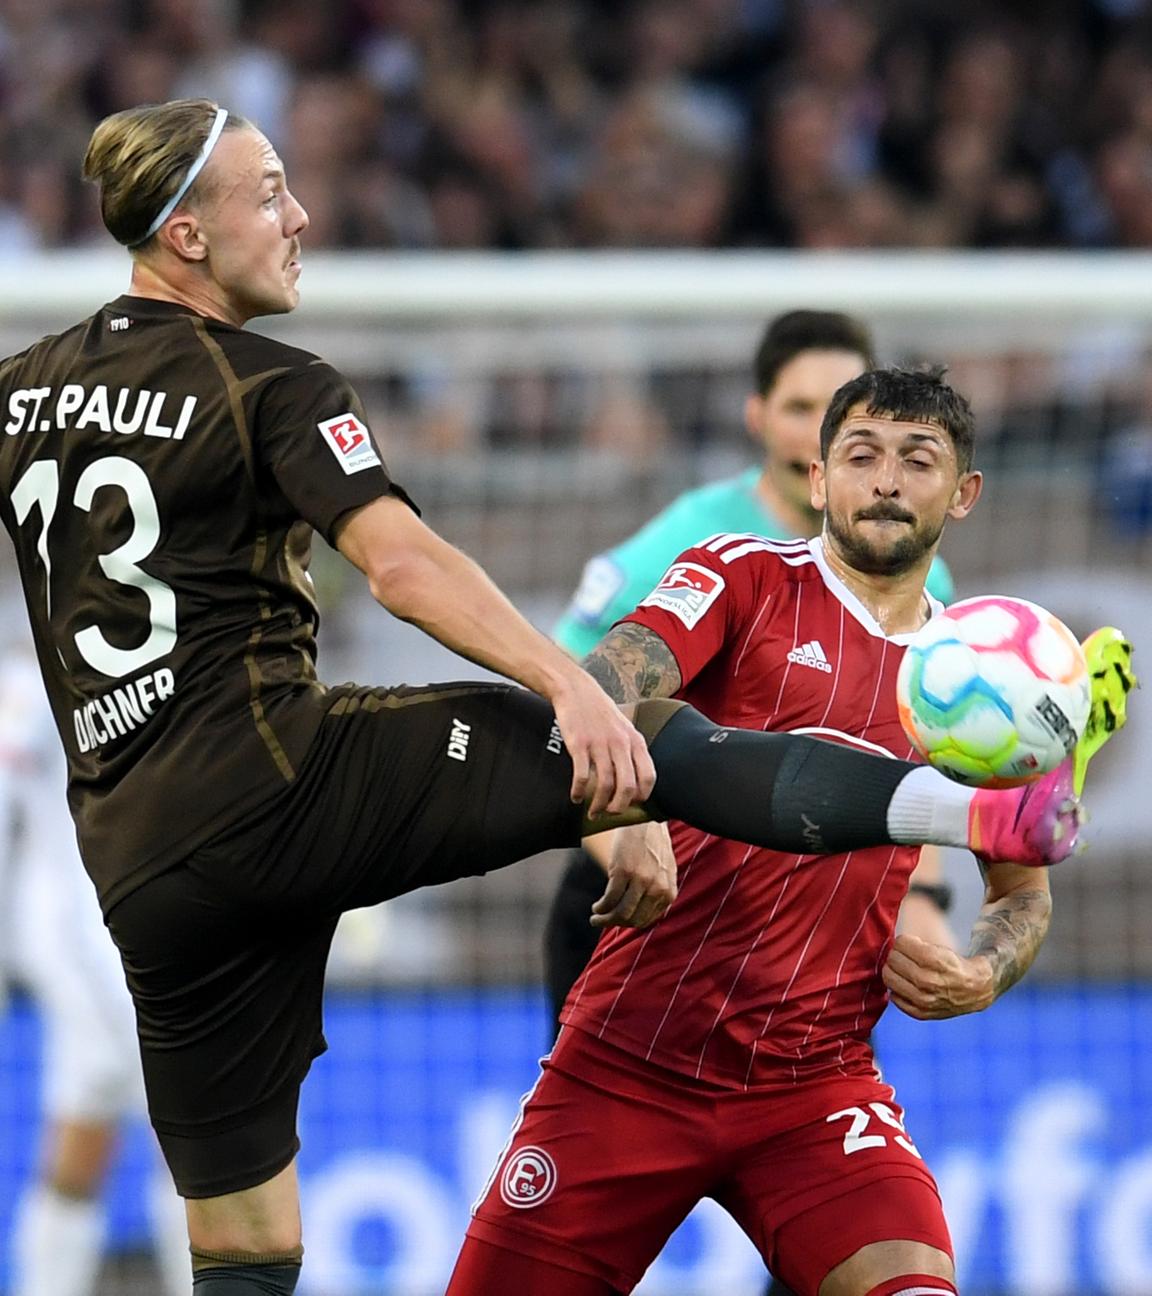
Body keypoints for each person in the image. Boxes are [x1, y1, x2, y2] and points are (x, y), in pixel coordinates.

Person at [0, 100, 1088, 1295]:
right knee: (638, 743)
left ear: (963, 492)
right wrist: (573, 693)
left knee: (243, 1250)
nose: (300, 215)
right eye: (268, 193)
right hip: (282, 782)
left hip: (141, 869)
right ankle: (976, 811)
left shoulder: (21, 388)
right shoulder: (274, 383)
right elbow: (405, 569)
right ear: (189, 235)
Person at [446, 367, 1133, 1296]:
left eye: (918, 461)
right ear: (818, 479)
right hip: (628, 1060)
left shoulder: (1005, 680)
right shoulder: (740, 575)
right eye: (862, 456)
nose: (886, 480)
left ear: (963, 494)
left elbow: (1024, 893)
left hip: (818, 1084)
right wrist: (623, 801)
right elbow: (611, 680)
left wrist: (982, 971)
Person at [547, 310, 957, 1035]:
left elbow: (922, 763)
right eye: (802, 408)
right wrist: (623, 832)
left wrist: (924, 903)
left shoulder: (929, 587)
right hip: (656, 885)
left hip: (819, 925)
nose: (817, 426)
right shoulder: (698, 541)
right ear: (758, 418)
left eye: (841, 408)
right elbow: (574, 682)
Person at [0, 646, 189, 1296]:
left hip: (133, 933)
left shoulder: (173, 653)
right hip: (86, 938)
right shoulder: (31, 679)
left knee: (85, 1124)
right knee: (197, 1125)